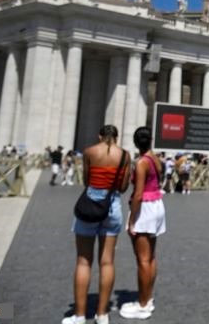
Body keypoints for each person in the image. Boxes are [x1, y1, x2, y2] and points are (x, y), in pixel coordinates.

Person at [63, 125, 130, 324]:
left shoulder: (90, 152)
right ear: (116, 138)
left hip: (91, 202)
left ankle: (80, 315)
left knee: (83, 261)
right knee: (107, 261)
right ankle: (102, 315)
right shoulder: (125, 155)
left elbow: (86, 179)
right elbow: (124, 186)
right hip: (112, 205)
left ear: (99, 135)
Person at [120, 127, 166, 320]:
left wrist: (131, 221)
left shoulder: (140, 163)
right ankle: (148, 297)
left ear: (136, 142)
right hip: (157, 205)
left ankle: (143, 304)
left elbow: (138, 194)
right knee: (151, 257)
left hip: (144, 208)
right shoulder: (156, 159)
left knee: (142, 259)